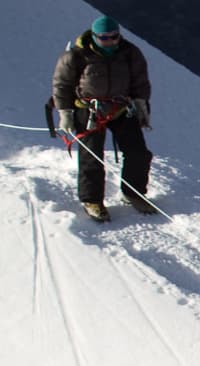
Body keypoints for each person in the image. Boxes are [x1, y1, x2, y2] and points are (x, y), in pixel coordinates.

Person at [51, 16, 154, 222]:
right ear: (95, 36)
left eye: (114, 37)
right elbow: (62, 84)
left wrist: (141, 104)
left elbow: (140, 80)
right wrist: (65, 113)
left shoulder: (129, 53)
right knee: (92, 156)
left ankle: (133, 193)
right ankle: (92, 200)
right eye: (104, 38)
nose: (110, 41)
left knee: (138, 152)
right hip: (89, 109)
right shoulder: (77, 55)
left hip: (120, 107)